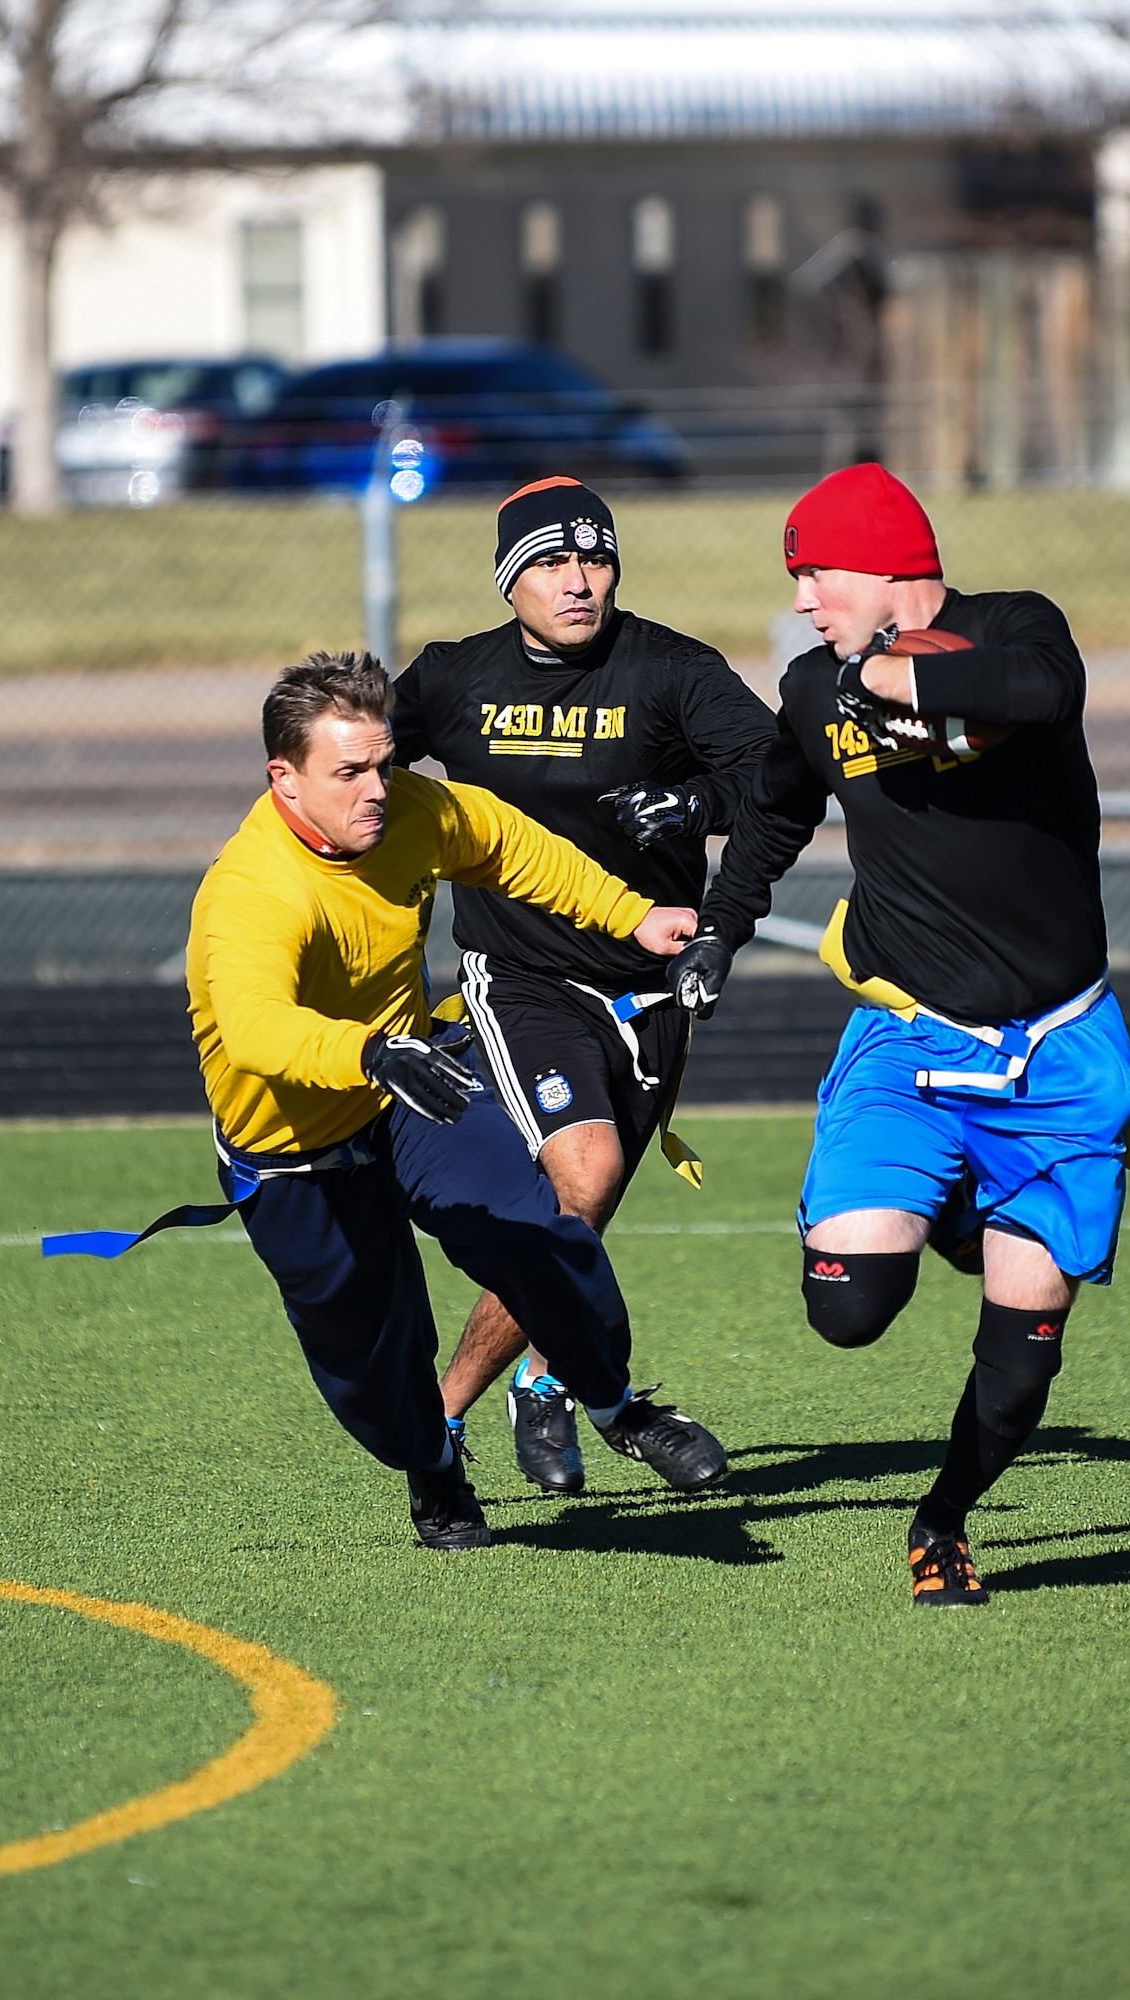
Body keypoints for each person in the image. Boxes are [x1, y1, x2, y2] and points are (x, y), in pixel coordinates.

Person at [667, 462, 1130, 1608]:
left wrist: (879, 673)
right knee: (846, 1306)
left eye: (814, 576)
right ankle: (960, 1205)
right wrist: (721, 932)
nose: (803, 603)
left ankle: (944, 1517)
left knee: (1025, 1356)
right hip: (910, 1038)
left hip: (1062, 1050)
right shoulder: (808, 686)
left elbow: (1037, 690)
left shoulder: (1015, 628)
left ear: (882, 566)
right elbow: (778, 810)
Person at [187, 649, 728, 1554]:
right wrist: (365, 1050)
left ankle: (613, 1405)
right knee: (378, 1378)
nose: (375, 789)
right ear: (283, 779)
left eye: (385, 763)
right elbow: (255, 1029)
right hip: (298, 1156)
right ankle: (433, 1465)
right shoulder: (251, 893)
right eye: (348, 771)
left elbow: (511, 847)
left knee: (536, 1228)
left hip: (407, 1096)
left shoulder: (411, 813)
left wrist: (631, 914)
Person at [392, 477, 775, 1495]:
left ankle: (544, 1380)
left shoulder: (673, 670)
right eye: (553, 563)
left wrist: (699, 799)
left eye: (595, 559)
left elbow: (779, 778)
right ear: (510, 577)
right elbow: (355, 763)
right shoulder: (452, 678)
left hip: (650, 986)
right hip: (520, 974)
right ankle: (440, 1419)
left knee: (580, 1212)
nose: (579, 580)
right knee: (587, 1175)